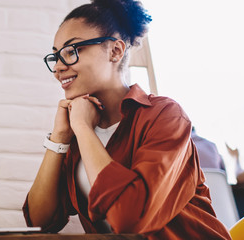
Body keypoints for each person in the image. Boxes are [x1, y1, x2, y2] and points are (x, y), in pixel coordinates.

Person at [22, 0, 231, 239]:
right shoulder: (78, 132)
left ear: (115, 51)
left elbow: (131, 218)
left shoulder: (164, 115)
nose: (58, 67)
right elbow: (39, 221)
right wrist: (59, 138)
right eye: (56, 56)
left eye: (72, 51)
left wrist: (82, 128)